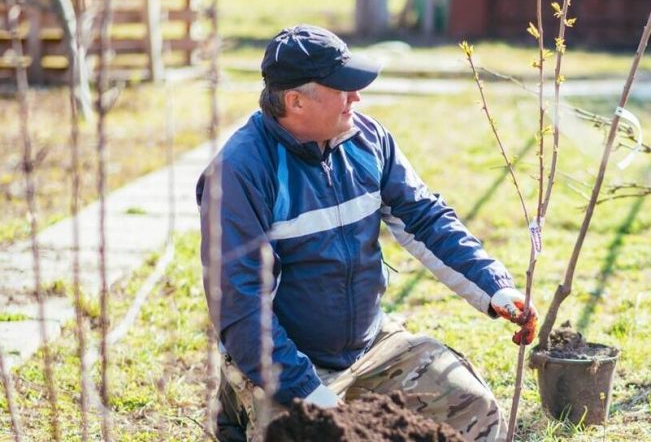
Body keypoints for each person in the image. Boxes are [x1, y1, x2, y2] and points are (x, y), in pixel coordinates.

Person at [196, 25, 538, 442]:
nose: (356, 98)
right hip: (290, 365)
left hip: (374, 346)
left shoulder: (369, 140)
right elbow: (241, 307)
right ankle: (239, 409)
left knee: (475, 410)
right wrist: (309, 393)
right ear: (295, 101)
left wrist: (495, 287)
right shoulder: (238, 174)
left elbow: (425, 217)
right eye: (342, 88)